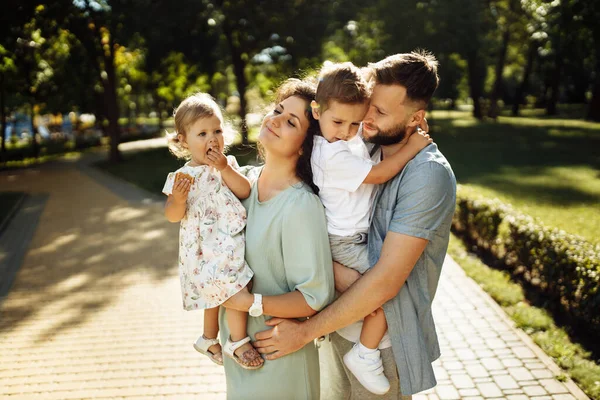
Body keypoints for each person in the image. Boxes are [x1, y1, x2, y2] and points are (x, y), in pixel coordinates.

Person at [253, 50, 457, 399]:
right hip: (337, 326)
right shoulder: (359, 145)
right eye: (368, 107)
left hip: (383, 345)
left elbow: (384, 283)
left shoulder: (427, 175)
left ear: (416, 118)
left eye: (379, 112)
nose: (365, 119)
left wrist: (303, 331)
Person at [310, 61, 432, 395]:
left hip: (350, 238)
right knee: (382, 292)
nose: (354, 128)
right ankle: (365, 353)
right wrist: (413, 147)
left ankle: (363, 349)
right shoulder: (329, 154)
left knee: (379, 289)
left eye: (358, 120)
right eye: (339, 122)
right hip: (345, 242)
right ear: (317, 111)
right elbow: (378, 174)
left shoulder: (340, 140)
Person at [220, 78, 335, 399]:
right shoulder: (243, 184)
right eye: (277, 110)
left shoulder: (301, 205)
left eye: (291, 122)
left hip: (279, 356)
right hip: (240, 352)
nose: (275, 120)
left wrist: (250, 303)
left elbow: (314, 297)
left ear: (305, 145)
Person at [162, 93, 263, 370]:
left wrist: (223, 168)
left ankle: (208, 337)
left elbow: (245, 190)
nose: (212, 139)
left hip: (228, 239)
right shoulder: (181, 177)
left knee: (227, 286)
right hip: (203, 246)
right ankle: (238, 340)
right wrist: (179, 200)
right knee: (230, 285)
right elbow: (171, 215)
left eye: (217, 130)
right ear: (183, 140)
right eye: (202, 133)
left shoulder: (226, 165)